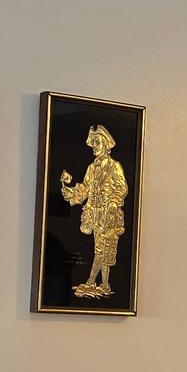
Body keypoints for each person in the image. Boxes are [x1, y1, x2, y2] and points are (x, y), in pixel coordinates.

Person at [59, 124, 128, 299]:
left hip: (109, 215)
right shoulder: (92, 168)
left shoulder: (114, 166)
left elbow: (122, 188)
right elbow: (85, 188)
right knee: (100, 248)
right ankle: (103, 284)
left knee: (104, 248)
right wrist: (71, 192)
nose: (94, 146)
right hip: (94, 214)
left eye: (97, 142)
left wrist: (113, 202)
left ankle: (94, 282)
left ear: (105, 144)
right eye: (93, 143)